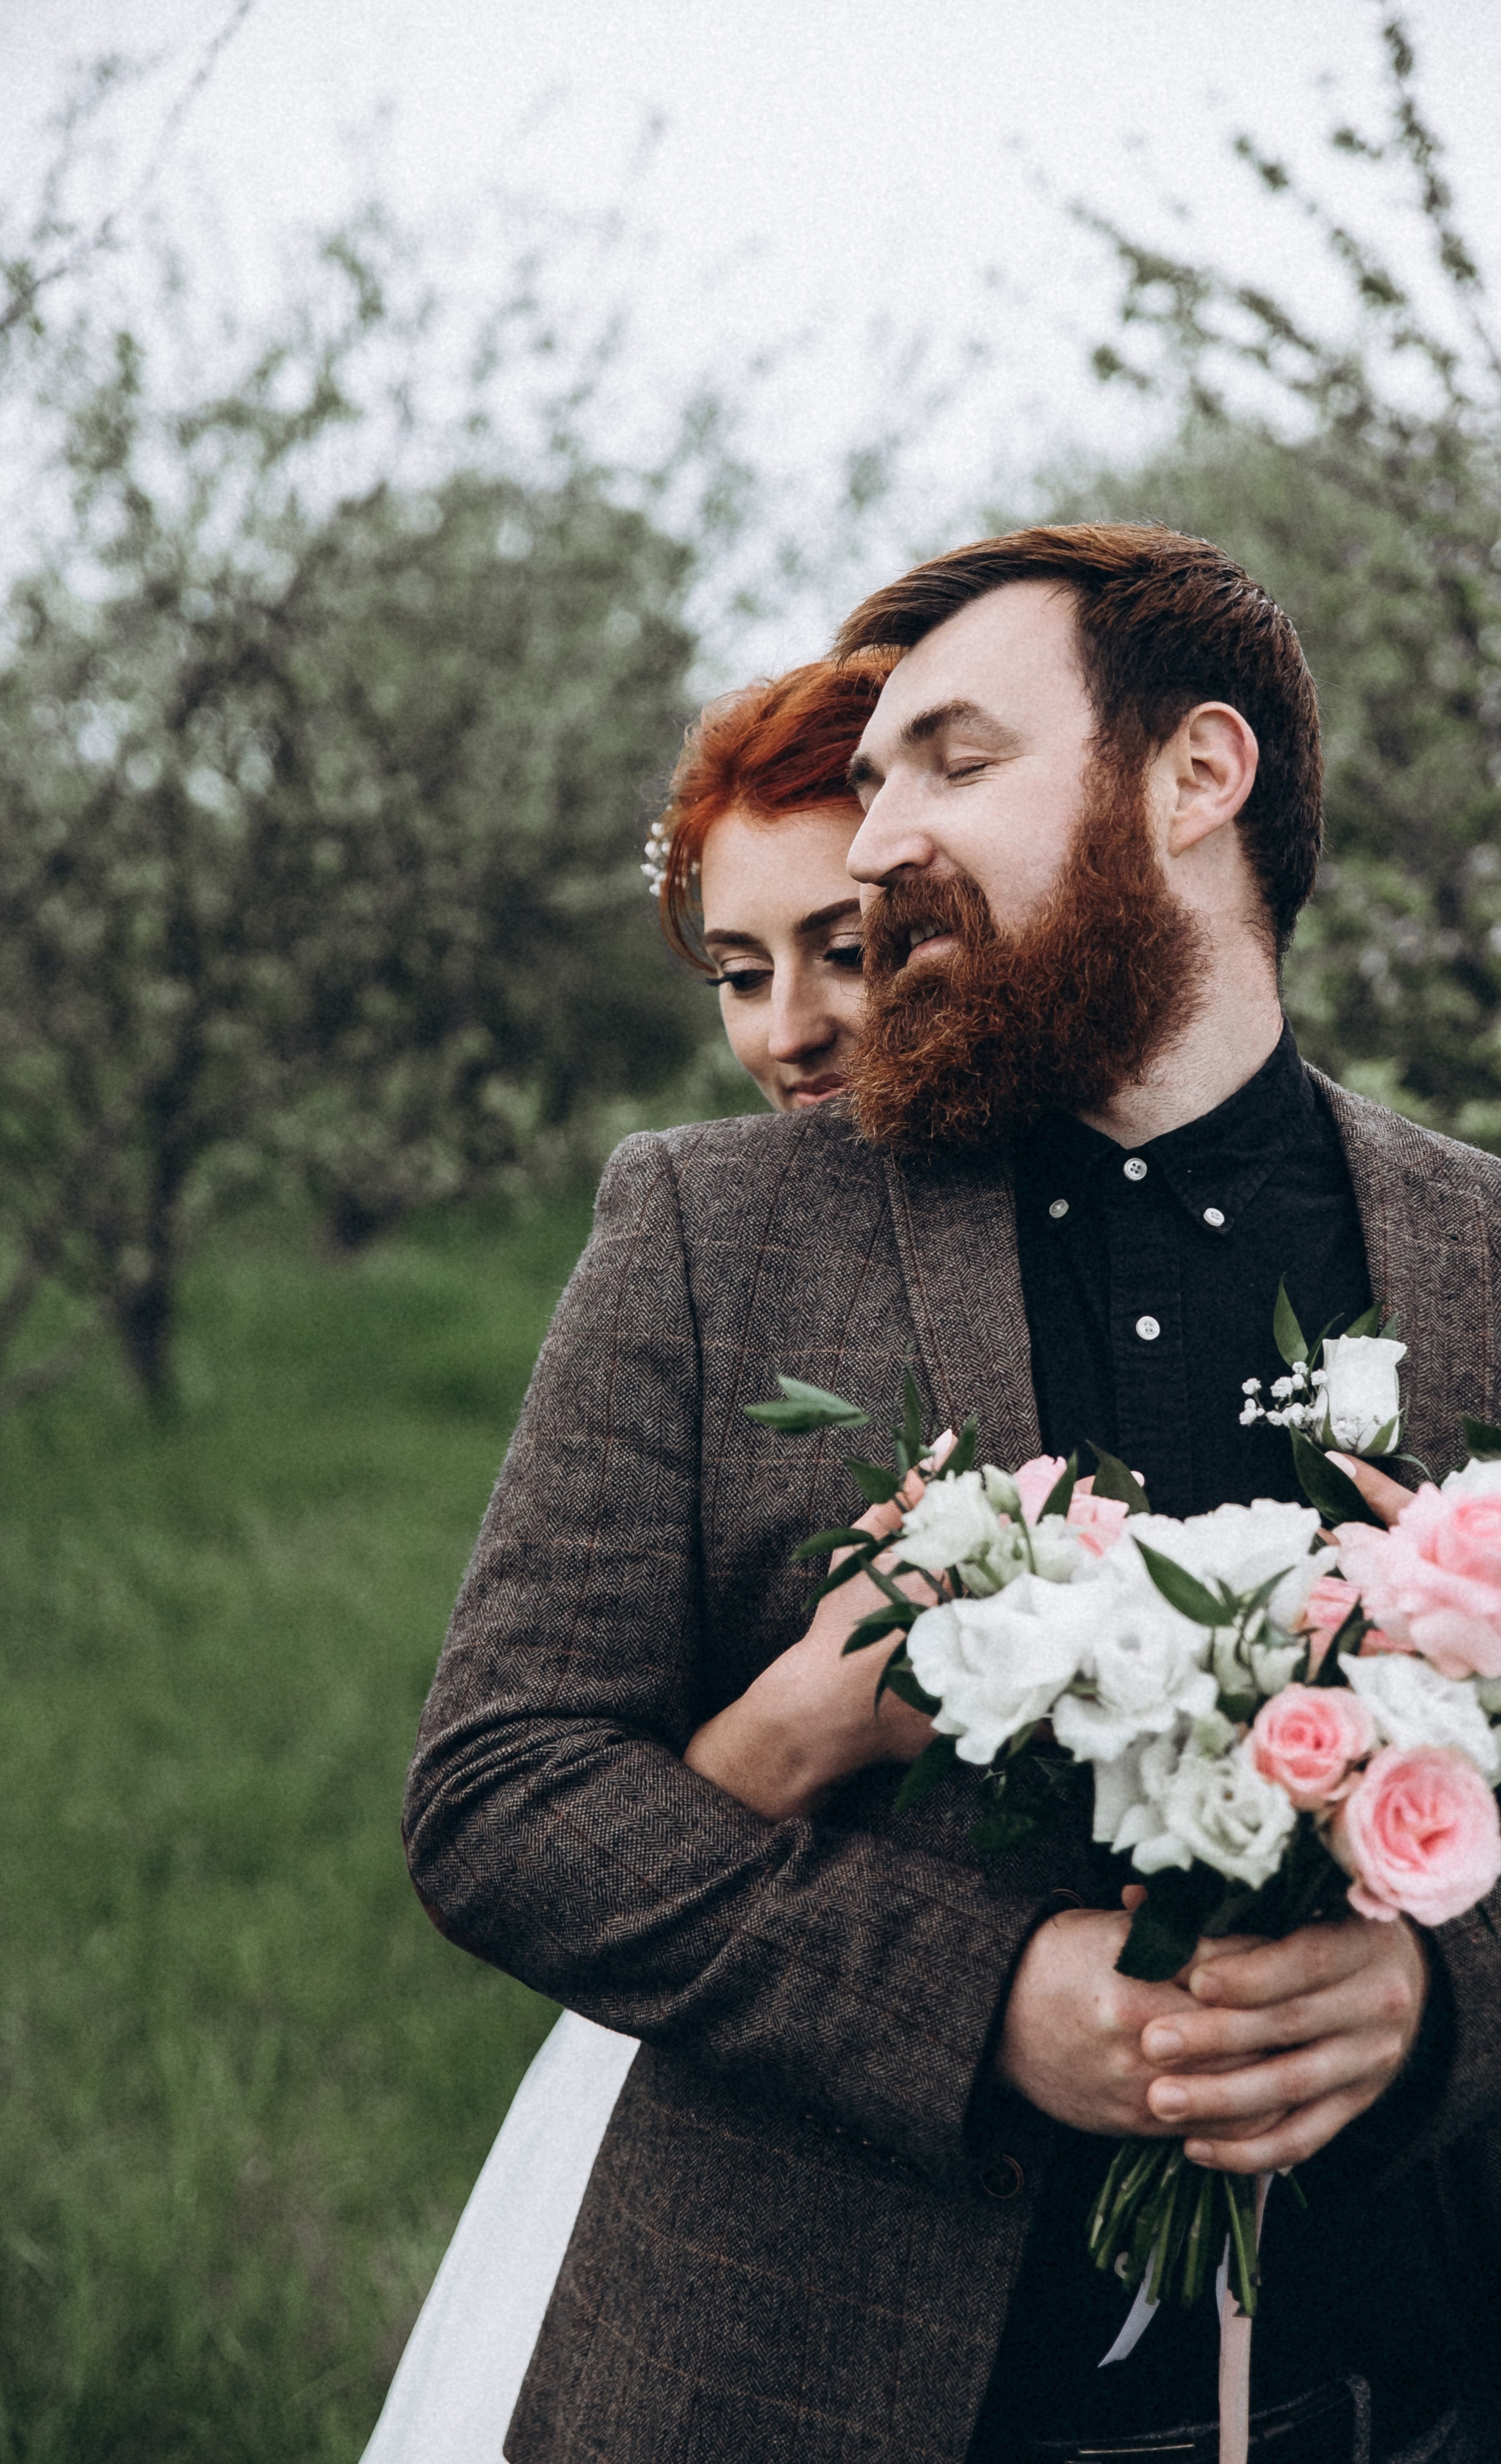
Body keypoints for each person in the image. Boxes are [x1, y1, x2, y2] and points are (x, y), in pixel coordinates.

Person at [404, 526, 1501, 2464]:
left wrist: (1435, 1999)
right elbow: (503, 1799)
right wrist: (978, 2002)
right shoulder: (710, 1231)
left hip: (1413, 2399)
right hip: (817, 2396)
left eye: (953, 765)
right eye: (876, 776)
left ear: (1195, 779)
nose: (882, 838)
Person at [361, 654, 897, 2464]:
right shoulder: (695, 1232)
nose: (788, 1032)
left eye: (848, 945)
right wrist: (800, 1732)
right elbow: (515, 1794)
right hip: (733, 2112)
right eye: (743, 974)